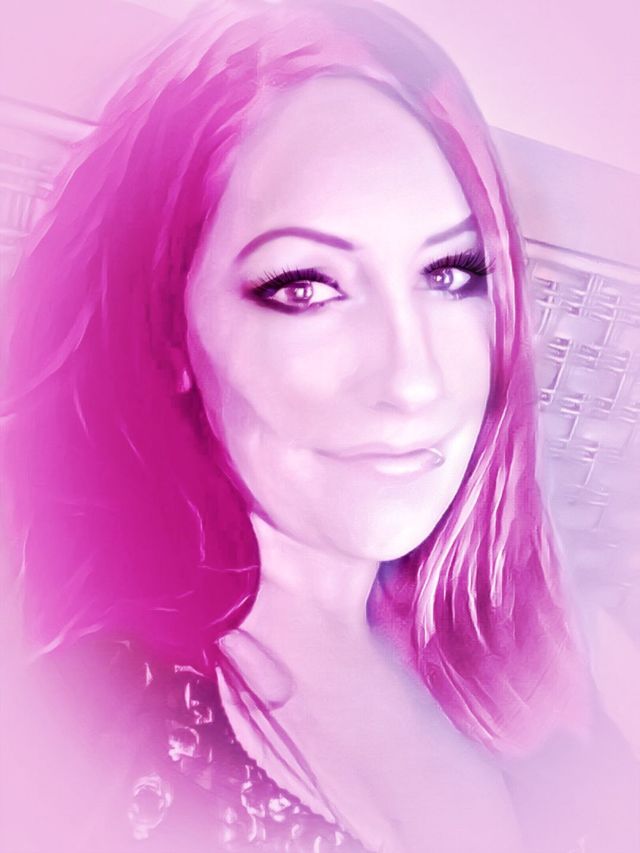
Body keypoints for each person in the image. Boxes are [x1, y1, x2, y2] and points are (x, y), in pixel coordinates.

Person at [0, 1, 636, 851]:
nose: (413, 380)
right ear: (169, 328)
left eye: (451, 273)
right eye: (304, 287)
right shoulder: (95, 734)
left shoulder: (548, 647)